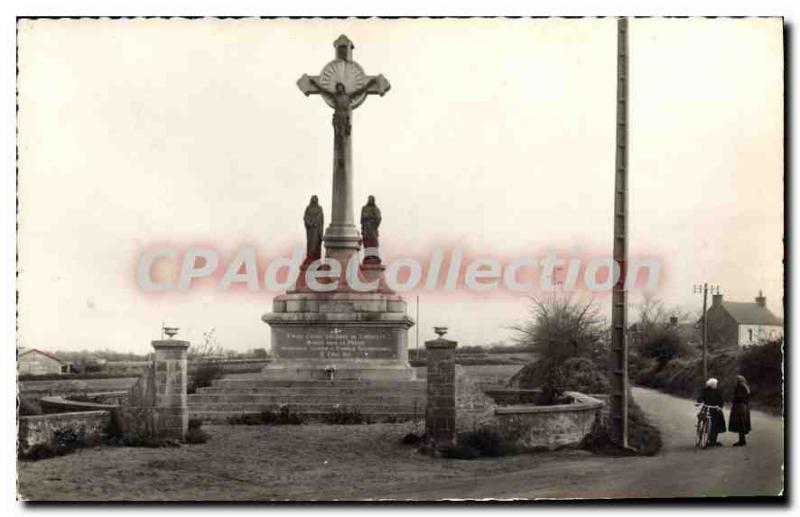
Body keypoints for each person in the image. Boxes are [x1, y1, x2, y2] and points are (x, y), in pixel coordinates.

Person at [696, 377, 726, 447]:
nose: (716, 385)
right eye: (715, 384)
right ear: (711, 384)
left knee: (716, 424)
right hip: (707, 407)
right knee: (702, 418)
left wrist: (720, 406)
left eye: (716, 384)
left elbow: (721, 400)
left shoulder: (718, 391)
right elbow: (701, 397)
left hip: (715, 409)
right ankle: (701, 434)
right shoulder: (705, 390)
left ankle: (713, 441)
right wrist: (698, 402)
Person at [729, 375, 752, 446]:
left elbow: (739, 397)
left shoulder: (740, 387)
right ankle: (742, 440)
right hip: (745, 406)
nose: (735, 381)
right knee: (742, 423)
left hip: (740, 407)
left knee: (740, 423)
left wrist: (733, 398)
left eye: (736, 380)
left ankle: (742, 441)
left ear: (739, 381)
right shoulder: (746, 387)